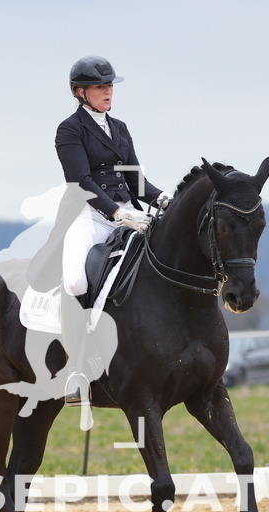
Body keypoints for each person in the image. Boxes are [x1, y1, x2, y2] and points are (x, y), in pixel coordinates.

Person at [53, 55, 172, 404]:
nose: (107, 92)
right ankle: (76, 371)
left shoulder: (119, 127)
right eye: (100, 87)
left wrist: (163, 199)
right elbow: (82, 182)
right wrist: (117, 213)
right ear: (80, 93)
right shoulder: (70, 129)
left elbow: (135, 178)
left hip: (130, 213)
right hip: (90, 215)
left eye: (109, 86)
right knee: (75, 279)